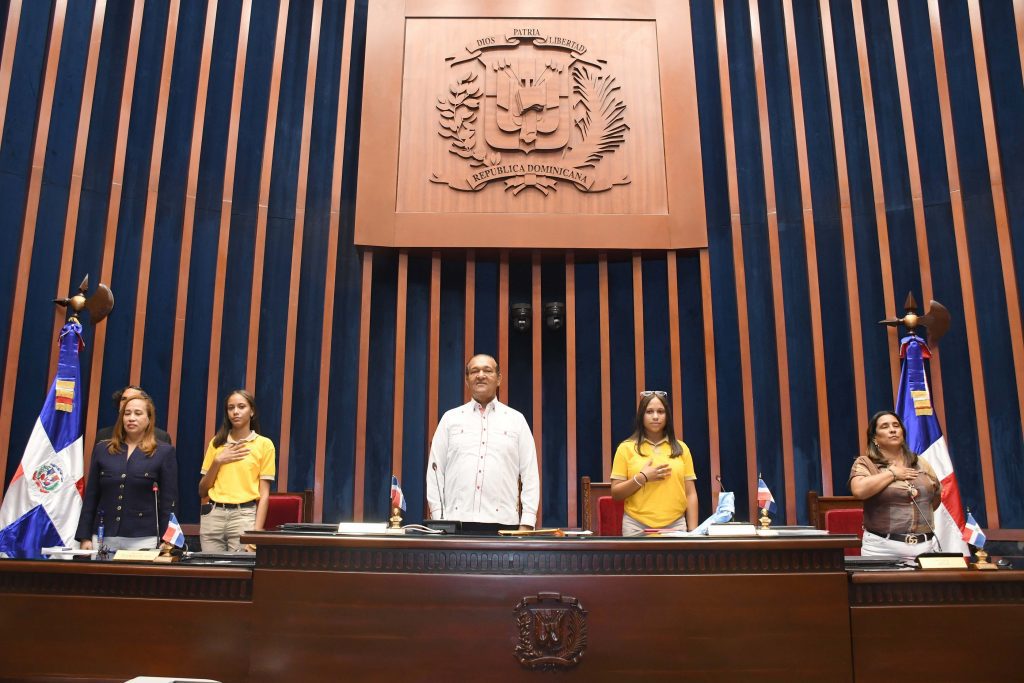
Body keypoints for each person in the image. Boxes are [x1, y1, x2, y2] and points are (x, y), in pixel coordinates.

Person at [426, 354, 539, 530]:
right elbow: (435, 471)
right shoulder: (450, 419)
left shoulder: (516, 420)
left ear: (499, 378)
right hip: (455, 524)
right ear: (466, 380)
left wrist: (527, 522)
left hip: (504, 524)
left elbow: (530, 474)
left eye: (487, 370)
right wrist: (439, 517)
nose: (480, 375)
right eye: (474, 371)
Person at [76, 391, 178, 551]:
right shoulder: (103, 449)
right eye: (127, 413)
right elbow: (91, 496)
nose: (131, 418)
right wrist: (85, 536)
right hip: (104, 535)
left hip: (144, 537)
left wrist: (169, 538)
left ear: (149, 419)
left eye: (138, 413)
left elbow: (168, 502)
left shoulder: (163, 452)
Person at [849, 410, 941, 557]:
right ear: (874, 438)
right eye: (885, 427)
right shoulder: (866, 463)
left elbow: (935, 499)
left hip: (925, 547)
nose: (892, 430)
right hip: (882, 549)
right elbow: (859, 490)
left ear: (902, 433)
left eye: (896, 425)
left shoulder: (920, 462)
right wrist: (892, 474)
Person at [610, 391, 698, 536]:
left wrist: (694, 533)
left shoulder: (681, 448)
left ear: (667, 416)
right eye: (649, 411)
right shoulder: (625, 448)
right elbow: (616, 494)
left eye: (661, 412)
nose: (655, 417)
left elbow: (690, 493)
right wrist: (642, 477)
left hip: (675, 526)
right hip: (636, 527)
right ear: (641, 416)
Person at [198, 390, 275, 552]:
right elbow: (202, 490)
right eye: (230, 408)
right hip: (213, 515)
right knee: (211, 571)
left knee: (240, 571)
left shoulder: (264, 444)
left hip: (244, 515)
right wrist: (218, 461)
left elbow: (265, 494)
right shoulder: (216, 443)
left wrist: (256, 533)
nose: (235, 412)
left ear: (252, 411)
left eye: (241, 407)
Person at [95, 385, 171, 445]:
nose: (127, 402)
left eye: (133, 398)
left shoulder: (161, 437)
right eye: (124, 399)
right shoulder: (103, 435)